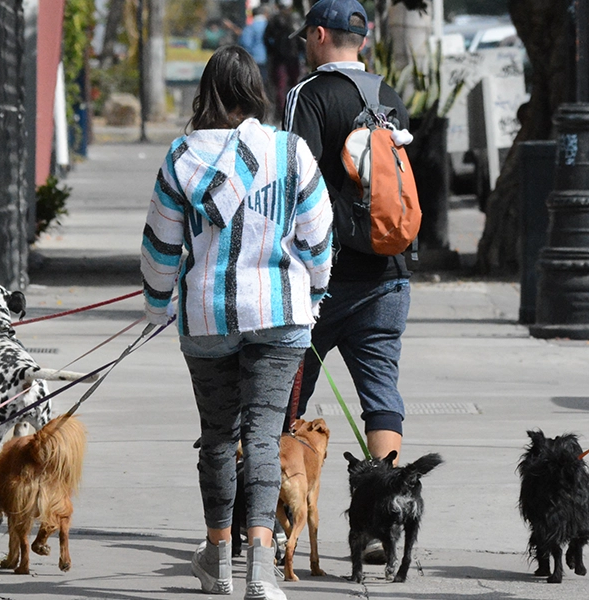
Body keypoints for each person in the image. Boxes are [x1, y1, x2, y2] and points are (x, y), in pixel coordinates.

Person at [140, 45, 333, 600]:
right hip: (278, 314)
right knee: (265, 438)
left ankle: (218, 561)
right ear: (255, 92)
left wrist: (158, 308)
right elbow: (318, 236)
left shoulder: (181, 158)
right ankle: (263, 573)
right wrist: (314, 291)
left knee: (219, 439)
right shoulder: (290, 152)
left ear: (207, 93)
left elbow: (159, 248)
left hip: (207, 318)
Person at [283, 0, 411, 496]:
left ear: (318, 35)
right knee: (381, 394)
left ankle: (274, 520)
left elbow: (295, 182)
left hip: (320, 280)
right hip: (388, 273)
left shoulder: (307, 95)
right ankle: (384, 516)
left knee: (287, 398)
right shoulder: (388, 95)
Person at [264, 4, 305, 121]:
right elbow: (300, 39)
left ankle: (282, 111)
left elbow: (266, 39)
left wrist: (272, 52)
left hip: (282, 58)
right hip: (291, 57)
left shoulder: (276, 20)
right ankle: (289, 110)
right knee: (291, 84)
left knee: (281, 86)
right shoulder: (293, 19)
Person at [239, 5, 272, 106]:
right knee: (267, 83)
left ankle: (256, 104)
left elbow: (245, 42)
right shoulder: (269, 25)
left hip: (254, 59)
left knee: (254, 83)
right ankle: (267, 104)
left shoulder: (250, 27)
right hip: (268, 59)